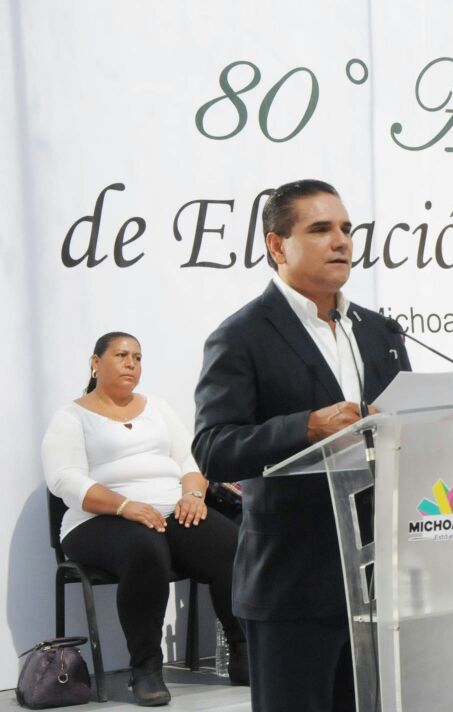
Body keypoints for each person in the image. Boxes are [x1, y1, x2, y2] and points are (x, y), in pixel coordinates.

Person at [193, 179, 410, 712]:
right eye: (320, 229)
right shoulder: (242, 335)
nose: (341, 241)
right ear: (277, 245)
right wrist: (304, 428)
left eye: (346, 229)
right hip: (293, 580)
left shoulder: (378, 331)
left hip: (380, 577)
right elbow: (213, 447)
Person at [42, 332, 245, 706]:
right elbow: (64, 479)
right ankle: (146, 669)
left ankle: (244, 654)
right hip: (97, 519)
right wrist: (125, 506)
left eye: (137, 357)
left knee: (230, 543)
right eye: (121, 355)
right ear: (95, 363)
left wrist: (193, 495)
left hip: (169, 510)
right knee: (146, 548)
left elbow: (190, 460)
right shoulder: (71, 417)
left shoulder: (157, 407)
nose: (131, 364)